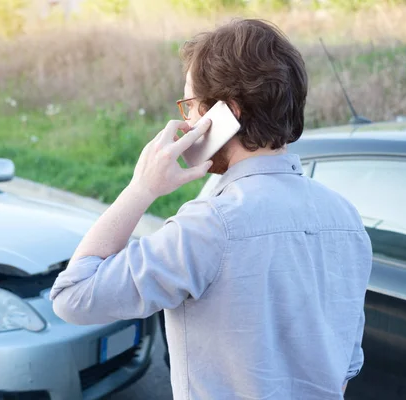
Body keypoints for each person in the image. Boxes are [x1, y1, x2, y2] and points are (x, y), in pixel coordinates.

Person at [50, 19, 372, 400]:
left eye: (190, 106)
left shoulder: (210, 226)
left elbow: (73, 297)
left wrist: (141, 188)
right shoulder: (347, 219)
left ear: (228, 113)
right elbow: (346, 368)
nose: (187, 123)